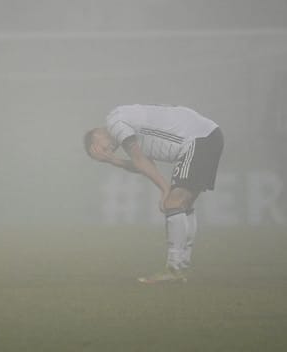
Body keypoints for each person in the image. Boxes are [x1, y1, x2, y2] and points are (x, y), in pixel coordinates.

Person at [84, 104, 223, 283]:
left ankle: (174, 268)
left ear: (97, 134)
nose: (107, 151)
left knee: (173, 203)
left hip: (197, 139)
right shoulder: (126, 132)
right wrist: (112, 160)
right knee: (183, 204)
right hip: (208, 136)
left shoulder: (115, 122)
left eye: (100, 149)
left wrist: (166, 190)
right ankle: (182, 265)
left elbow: (141, 161)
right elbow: (144, 165)